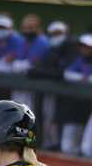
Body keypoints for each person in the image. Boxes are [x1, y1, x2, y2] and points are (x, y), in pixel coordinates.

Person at [28, 21, 77, 149]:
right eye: (53, 34)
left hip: (71, 95)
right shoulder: (50, 50)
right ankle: (49, 143)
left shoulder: (72, 48)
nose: (56, 36)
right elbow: (35, 70)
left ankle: (55, 144)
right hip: (52, 92)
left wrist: (45, 73)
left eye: (59, 33)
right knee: (47, 117)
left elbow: (61, 72)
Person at [59, 33, 92, 158]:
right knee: (69, 147)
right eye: (83, 46)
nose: (85, 49)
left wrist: (84, 78)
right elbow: (67, 74)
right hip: (81, 103)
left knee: (89, 148)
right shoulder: (80, 59)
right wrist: (82, 77)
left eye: (88, 47)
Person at [10, 13, 50, 109]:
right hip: (21, 84)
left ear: (39, 28)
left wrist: (19, 64)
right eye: (25, 28)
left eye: (31, 27)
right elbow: (17, 61)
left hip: (39, 85)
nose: (27, 30)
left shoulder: (43, 42)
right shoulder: (22, 40)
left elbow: (34, 63)